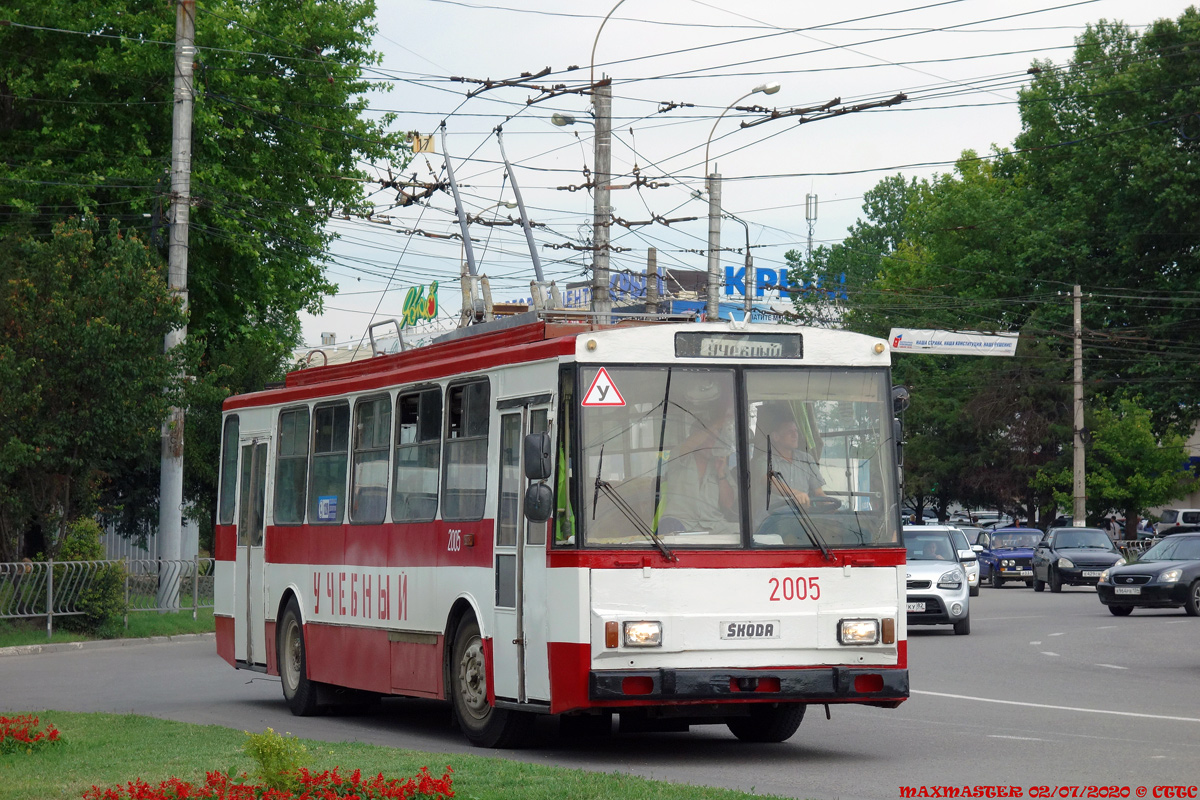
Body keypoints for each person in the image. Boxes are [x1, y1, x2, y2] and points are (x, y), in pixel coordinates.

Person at [762, 415, 829, 510]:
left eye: (796, 431)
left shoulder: (807, 459)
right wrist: (796, 494)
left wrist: (827, 504)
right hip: (772, 519)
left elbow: (818, 492)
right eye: (790, 431)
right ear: (776, 437)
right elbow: (768, 481)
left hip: (803, 520)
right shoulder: (765, 460)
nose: (795, 435)